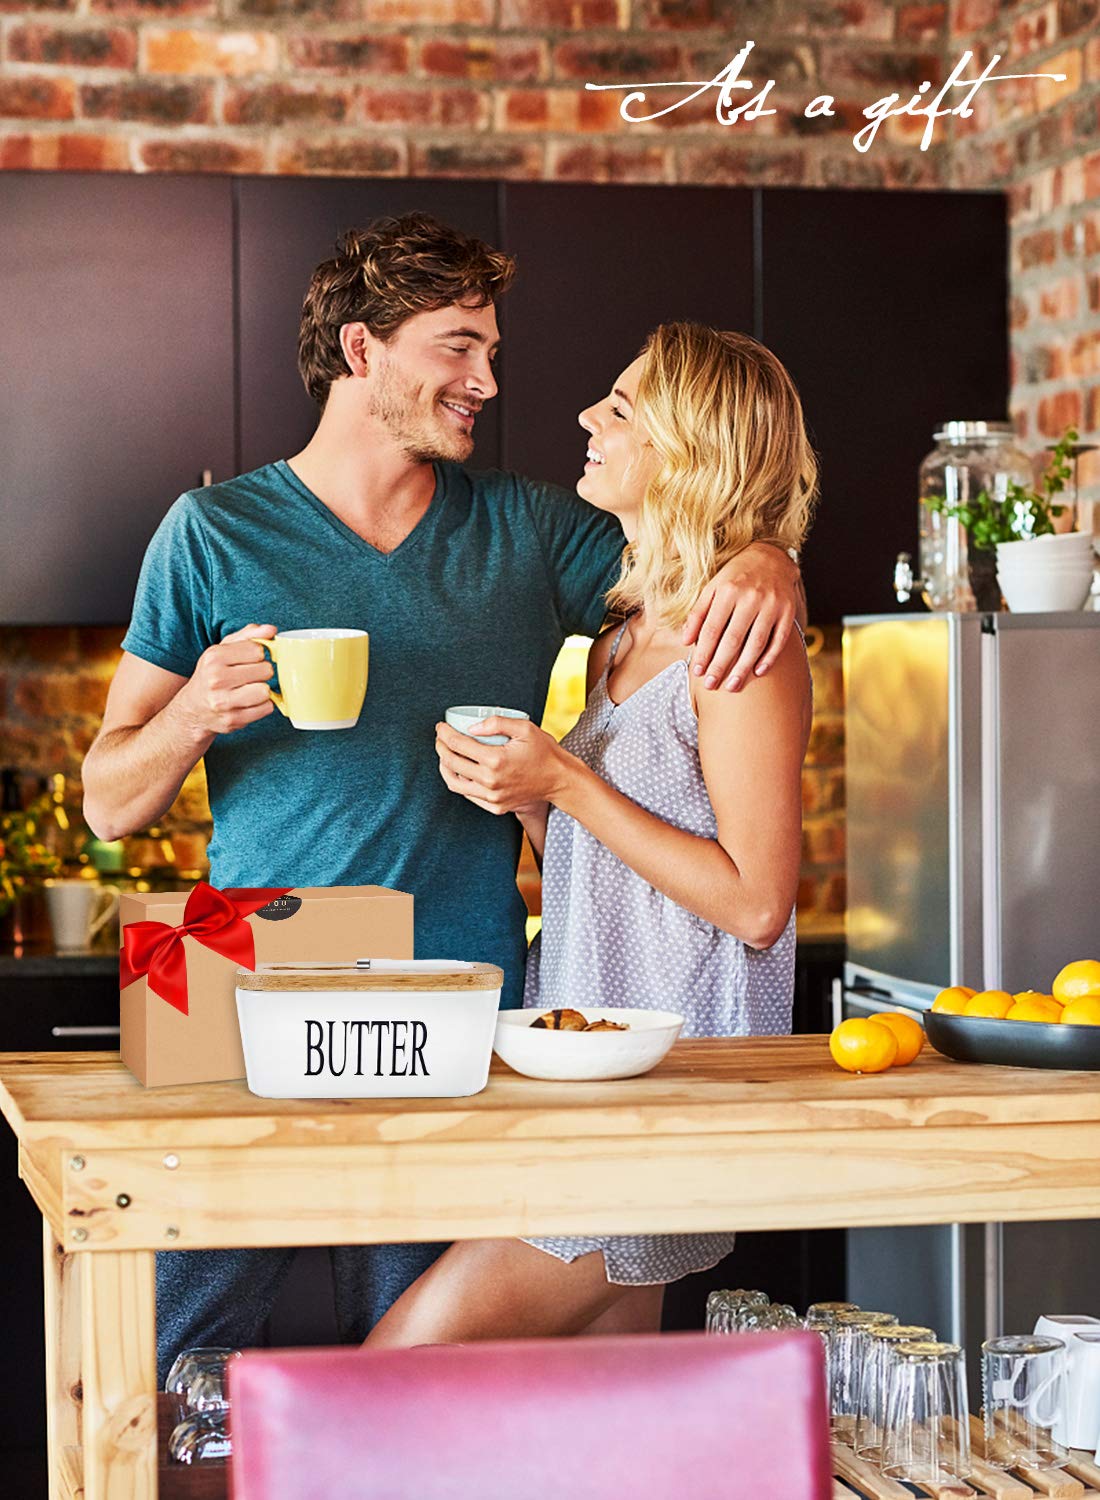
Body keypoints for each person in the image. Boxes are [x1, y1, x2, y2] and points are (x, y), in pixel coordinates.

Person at [82, 217, 804, 1382]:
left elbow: (694, 548)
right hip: (234, 963)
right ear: (361, 350)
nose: (489, 383)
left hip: (456, 981)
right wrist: (186, 717)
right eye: (459, 348)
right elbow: (107, 805)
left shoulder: (528, 530)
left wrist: (771, 558)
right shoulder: (208, 533)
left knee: (418, 1384)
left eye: (492, 351)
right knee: (156, 1350)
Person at [365, 322, 816, 1349]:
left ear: (687, 448)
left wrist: (563, 780)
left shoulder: (734, 640)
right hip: (596, 1085)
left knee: (396, 1369)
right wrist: (527, 801)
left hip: (666, 1100)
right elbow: (609, 871)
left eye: (620, 408)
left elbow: (754, 904)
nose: (586, 417)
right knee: (594, 1428)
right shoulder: (623, 630)